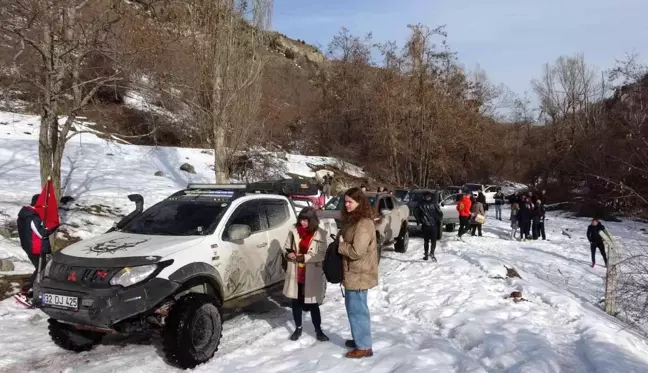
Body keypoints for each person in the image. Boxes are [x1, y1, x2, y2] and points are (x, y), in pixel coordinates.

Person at [338, 187, 378, 358]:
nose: (346, 204)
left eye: (350, 202)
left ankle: (364, 347)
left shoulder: (363, 223)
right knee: (353, 309)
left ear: (359, 203)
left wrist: (340, 244)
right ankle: (359, 338)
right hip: (352, 273)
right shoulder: (354, 220)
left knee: (358, 311)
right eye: (345, 201)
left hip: (359, 274)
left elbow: (357, 251)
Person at [283, 207, 329, 342]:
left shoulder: (320, 233)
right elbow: (286, 247)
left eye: (306, 220)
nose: (303, 223)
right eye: (301, 220)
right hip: (296, 272)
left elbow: (321, 254)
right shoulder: (294, 231)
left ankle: (318, 330)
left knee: (313, 303)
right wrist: (288, 253)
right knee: (295, 302)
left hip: (312, 273)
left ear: (312, 221)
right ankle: (298, 328)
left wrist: (304, 258)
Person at [16, 194, 57, 304]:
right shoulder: (32, 217)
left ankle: (35, 291)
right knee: (41, 269)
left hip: (31, 246)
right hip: (35, 248)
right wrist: (54, 225)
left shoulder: (26, 214)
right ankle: (25, 292)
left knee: (41, 269)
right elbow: (41, 233)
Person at [414, 191, 443, 261]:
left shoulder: (420, 204)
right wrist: (438, 220)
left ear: (424, 196)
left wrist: (419, 220)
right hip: (433, 225)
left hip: (425, 225)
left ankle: (426, 254)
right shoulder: (435, 204)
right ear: (430, 196)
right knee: (433, 241)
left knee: (426, 241)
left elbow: (415, 212)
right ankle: (432, 253)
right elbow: (440, 213)